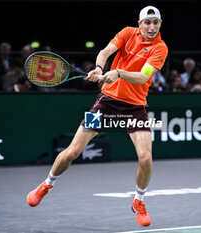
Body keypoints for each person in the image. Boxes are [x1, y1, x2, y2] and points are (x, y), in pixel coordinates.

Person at [26, 6, 168, 227]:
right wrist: (100, 69)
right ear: (139, 23)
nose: (151, 27)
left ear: (160, 24)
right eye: (147, 22)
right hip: (106, 103)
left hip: (135, 108)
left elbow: (142, 77)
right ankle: (46, 184)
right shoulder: (127, 33)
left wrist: (119, 73)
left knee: (146, 159)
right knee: (73, 150)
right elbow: (104, 52)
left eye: (155, 22)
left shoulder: (160, 48)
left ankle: (138, 200)